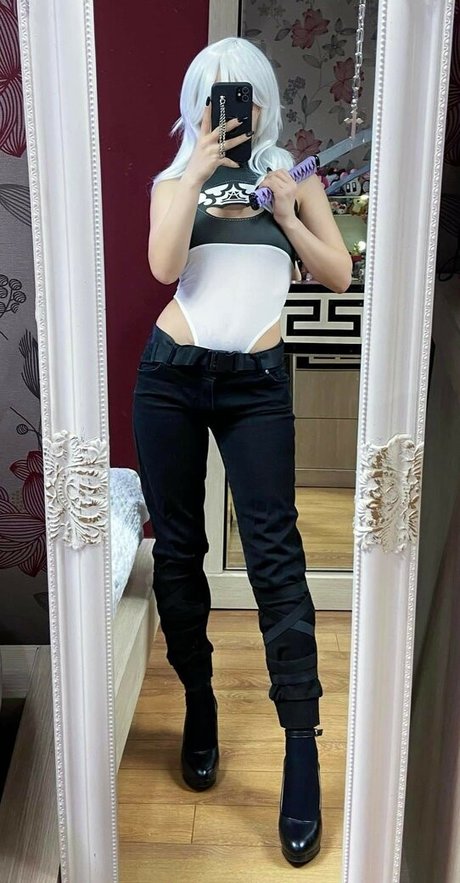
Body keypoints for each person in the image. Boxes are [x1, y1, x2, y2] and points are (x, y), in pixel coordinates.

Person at [132, 36, 352, 866]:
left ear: (266, 101)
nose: (234, 107)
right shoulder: (175, 178)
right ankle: (200, 701)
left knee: (276, 557)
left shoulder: (291, 175)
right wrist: (194, 171)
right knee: (179, 550)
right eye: (218, 93)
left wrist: (289, 213)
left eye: (247, 93)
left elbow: (336, 274)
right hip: (171, 376)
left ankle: (301, 747)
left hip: (258, 383)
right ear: (197, 102)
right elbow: (163, 267)